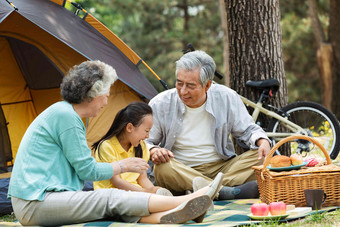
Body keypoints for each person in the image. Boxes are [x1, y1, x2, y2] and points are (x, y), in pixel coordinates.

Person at [7, 60, 223, 226]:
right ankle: (193, 199)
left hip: (41, 199)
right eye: (105, 95)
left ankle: (169, 216)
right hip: (34, 203)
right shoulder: (66, 117)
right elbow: (86, 171)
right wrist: (124, 165)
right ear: (92, 95)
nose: (107, 101)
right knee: (108, 197)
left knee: (110, 204)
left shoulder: (67, 114)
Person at [146, 50, 271, 200]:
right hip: (180, 169)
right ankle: (224, 192)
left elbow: (249, 130)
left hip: (222, 167)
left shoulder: (227, 97)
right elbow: (145, 141)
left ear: (207, 85)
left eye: (190, 85)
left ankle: (203, 191)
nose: (183, 91)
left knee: (262, 157)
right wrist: (153, 150)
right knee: (162, 168)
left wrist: (261, 141)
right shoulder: (160, 103)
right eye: (179, 83)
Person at [92, 101, 172, 196]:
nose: (148, 136)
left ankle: (185, 199)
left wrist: (153, 189)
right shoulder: (107, 146)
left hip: (135, 193)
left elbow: (143, 179)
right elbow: (116, 181)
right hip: (111, 195)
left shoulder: (141, 147)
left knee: (159, 196)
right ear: (130, 127)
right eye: (146, 131)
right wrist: (146, 192)